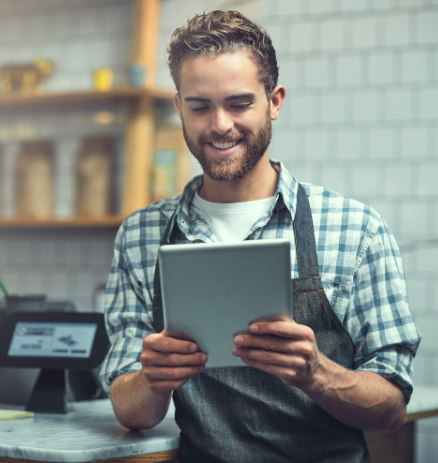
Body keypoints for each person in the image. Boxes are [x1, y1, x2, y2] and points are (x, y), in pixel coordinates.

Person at [98, 10, 421, 463]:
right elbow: (130, 410)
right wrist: (153, 379)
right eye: (200, 106)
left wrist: (316, 373)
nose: (220, 124)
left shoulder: (355, 229)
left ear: (275, 101)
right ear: (178, 109)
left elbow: (390, 408)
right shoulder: (141, 235)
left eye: (239, 102)